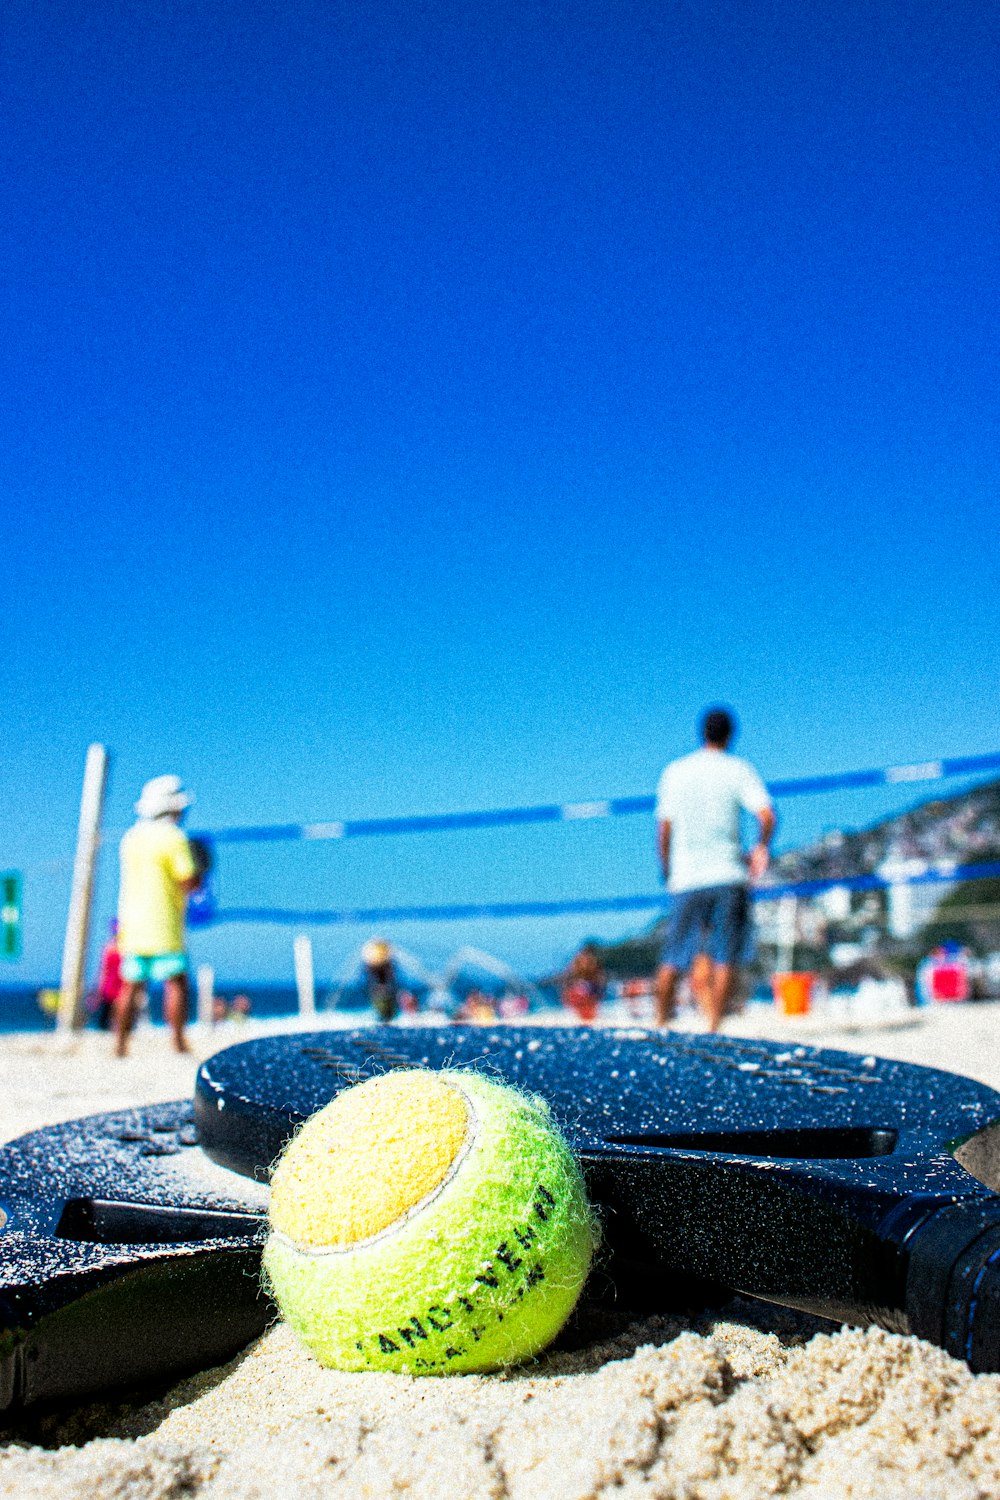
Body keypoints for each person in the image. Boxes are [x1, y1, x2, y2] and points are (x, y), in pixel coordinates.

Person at [654, 707, 775, 1033]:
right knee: (725, 956)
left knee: (673, 957)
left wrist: (666, 869)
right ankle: (713, 1027)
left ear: (702, 732)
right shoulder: (737, 769)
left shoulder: (675, 771)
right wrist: (761, 848)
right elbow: (767, 816)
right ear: (729, 734)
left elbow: (663, 829)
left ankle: (660, 1025)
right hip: (727, 874)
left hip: (686, 877)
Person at [114, 775, 201, 1056]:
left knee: (130, 986)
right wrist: (201, 872)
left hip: (131, 922)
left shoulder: (131, 838)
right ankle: (177, 1042)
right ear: (173, 808)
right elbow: (187, 880)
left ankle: (120, 1045)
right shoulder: (174, 837)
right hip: (163, 923)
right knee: (176, 982)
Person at [561, 942, 607, 1024]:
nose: (584, 963)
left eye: (587, 960)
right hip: (579, 1009)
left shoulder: (597, 977)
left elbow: (599, 994)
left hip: (589, 1009)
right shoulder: (572, 978)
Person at [93, 918, 123, 1029]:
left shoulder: (113, 947)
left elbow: (103, 970)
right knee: (106, 1015)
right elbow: (103, 969)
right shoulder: (108, 947)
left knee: (118, 1014)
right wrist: (99, 989)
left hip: (120, 983)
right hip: (110, 985)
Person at [361, 938, 399, 1023]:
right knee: (382, 992)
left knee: (381, 992)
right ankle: (385, 1016)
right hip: (382, 989)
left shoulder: (374, 966)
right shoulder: (383, 966)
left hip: (381, 989)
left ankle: (385, 1016)